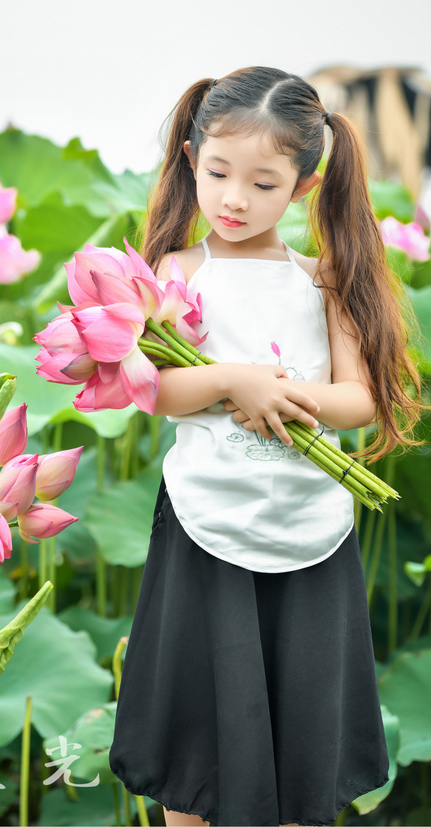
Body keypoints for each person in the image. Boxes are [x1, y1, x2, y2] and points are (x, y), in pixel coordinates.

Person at [108, 66, 426, 827]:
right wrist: (233, 380)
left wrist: (290, 398)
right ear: (191, 160)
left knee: (299, 742)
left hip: (310, 532)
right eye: (218, 173)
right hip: (205, 528)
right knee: (198, 737)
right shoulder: (175, 274)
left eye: (263, 183)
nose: (234, 199)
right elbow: (153, 388)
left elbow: (359, 399)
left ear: (306, 187)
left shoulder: (323, 282)